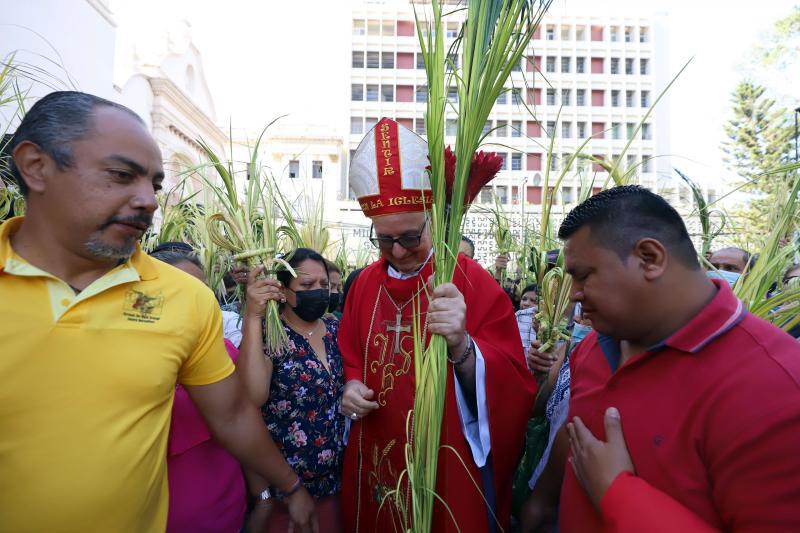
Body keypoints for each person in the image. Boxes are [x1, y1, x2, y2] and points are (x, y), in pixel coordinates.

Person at [0, 91, 317, 533]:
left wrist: (288, 487)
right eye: (121, 175)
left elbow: (232, 415)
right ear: (36, 166)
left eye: (154, 184)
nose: (148, 200)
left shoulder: (184, 298)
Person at [522, 185, 800, 532]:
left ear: (649, 258)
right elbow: (575, 436)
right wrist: (541, 505)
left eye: (584, 275)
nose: (575, 294)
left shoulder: (778, 385)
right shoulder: (595, 346)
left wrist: (619, 494)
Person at [338, 118, 536, 532]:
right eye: (384, 240)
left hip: (446, 458)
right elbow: (351, 353)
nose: (397, 252)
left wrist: (463, 346)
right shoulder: (365, 285)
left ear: (432, 218)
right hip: (377, 449)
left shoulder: (469, 281)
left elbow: (514, 384)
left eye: (410, 238)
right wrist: (352, 385)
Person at [237, 248, 345, 533]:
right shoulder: (271, 334)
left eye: (324, 285)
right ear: (283, 291)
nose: (319, 292)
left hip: (335, 486)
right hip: (285, 493)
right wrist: (252, 317)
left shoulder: (337, 331)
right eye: (307, 285)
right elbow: (251, 398)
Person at [149, 247, 247, 533]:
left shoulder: (223, 352)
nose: (195, 302)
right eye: (181, 289)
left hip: (227, 514)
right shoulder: (124, 357)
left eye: (202, 291)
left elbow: (247, 421)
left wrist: (266, 495)